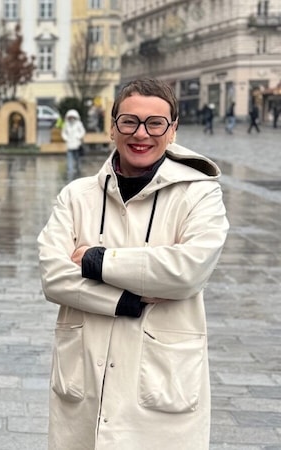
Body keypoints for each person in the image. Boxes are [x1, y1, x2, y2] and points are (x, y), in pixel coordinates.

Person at [37, 78, 229, 450]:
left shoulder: (200, 194)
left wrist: (95, 259)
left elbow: (186, 271)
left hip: (161, 387)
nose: (141, 133)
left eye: (155, 123)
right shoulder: (76, 196)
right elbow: (53, 277)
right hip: (84, 384)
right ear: (112, 127)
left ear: (172, 130)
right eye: (129, 121)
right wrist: (128, 301)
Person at [61, 109, 86, 179]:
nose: (71, 118)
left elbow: (82, 132)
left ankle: (78, 170)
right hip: (69, 145)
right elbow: (63, 133)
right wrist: (66, 138)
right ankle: (70, 171)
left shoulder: (78, 124)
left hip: (77, 145)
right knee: (70, 159)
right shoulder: (66, 124)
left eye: (72, 117)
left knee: (77, 159)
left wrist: (78, 137)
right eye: (70, 117)